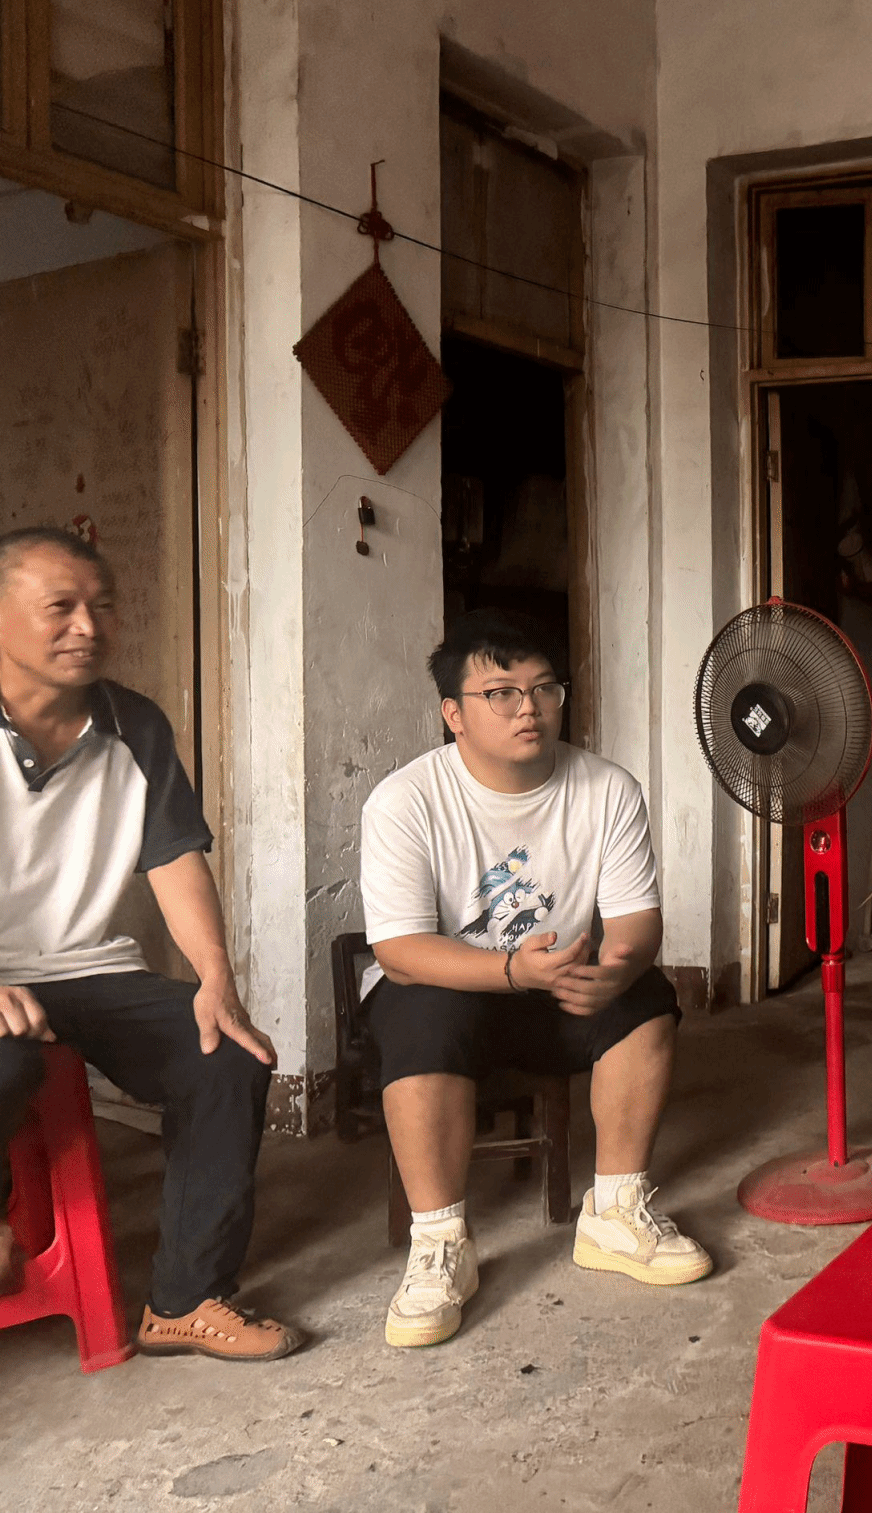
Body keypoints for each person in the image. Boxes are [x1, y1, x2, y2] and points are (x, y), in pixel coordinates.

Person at [359, 608, 707, 1350]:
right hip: (457, 996)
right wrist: (512, 969)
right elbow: (398, 950)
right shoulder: (405, 801)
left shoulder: (608, 789)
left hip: (559, 987)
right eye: (502, 693)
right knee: (419, 1011)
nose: (529, 708)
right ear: (453, 714)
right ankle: (440, 1245)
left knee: (646, 995)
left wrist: (617, 969)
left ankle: (614, 1213)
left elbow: (637, 922)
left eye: (545, 688)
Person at [0, 526, 297, 1361]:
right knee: (7, 1066)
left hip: (86, 967)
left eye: (102, 607)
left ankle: (186, 1299)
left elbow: (173, 858)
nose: (87, 627)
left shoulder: (134, 723)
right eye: (60, 607)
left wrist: (215, 979)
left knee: (227, 1055)